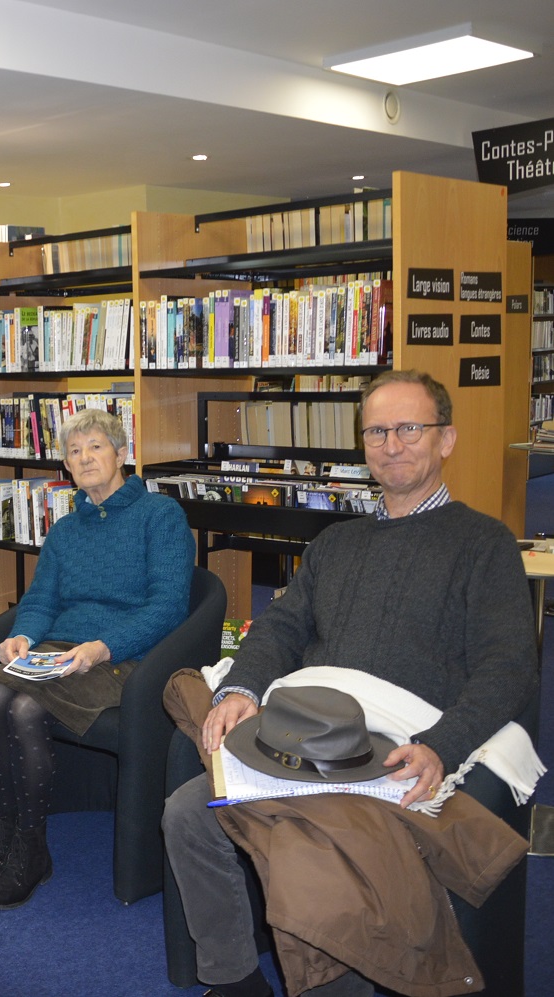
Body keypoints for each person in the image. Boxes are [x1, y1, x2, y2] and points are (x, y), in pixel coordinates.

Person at [162, 370, 539, 997]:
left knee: (319, 865)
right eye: (377, 432)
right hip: (309, 734)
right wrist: (241, 689)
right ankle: (234, 982)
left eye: (409, 428)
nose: (391, 444)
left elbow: (510, 664)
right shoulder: (335, 542)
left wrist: (442, 745)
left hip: (391, 747)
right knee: (186, 812)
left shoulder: (484, 544)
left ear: (446, 440)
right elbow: (281, 626)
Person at [0, 406, 193, 910]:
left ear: (122, 454)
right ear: (67, 466)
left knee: (24, 707)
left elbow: (169, 606)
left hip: (125, 658)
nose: (85, 457)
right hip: (62, 652)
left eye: (96, 446)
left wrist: (104, 646)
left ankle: (32, 852)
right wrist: (23, 636)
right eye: (75, 451)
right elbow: (41, 600)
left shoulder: (160, 516)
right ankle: (7, 835)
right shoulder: (66, 530)